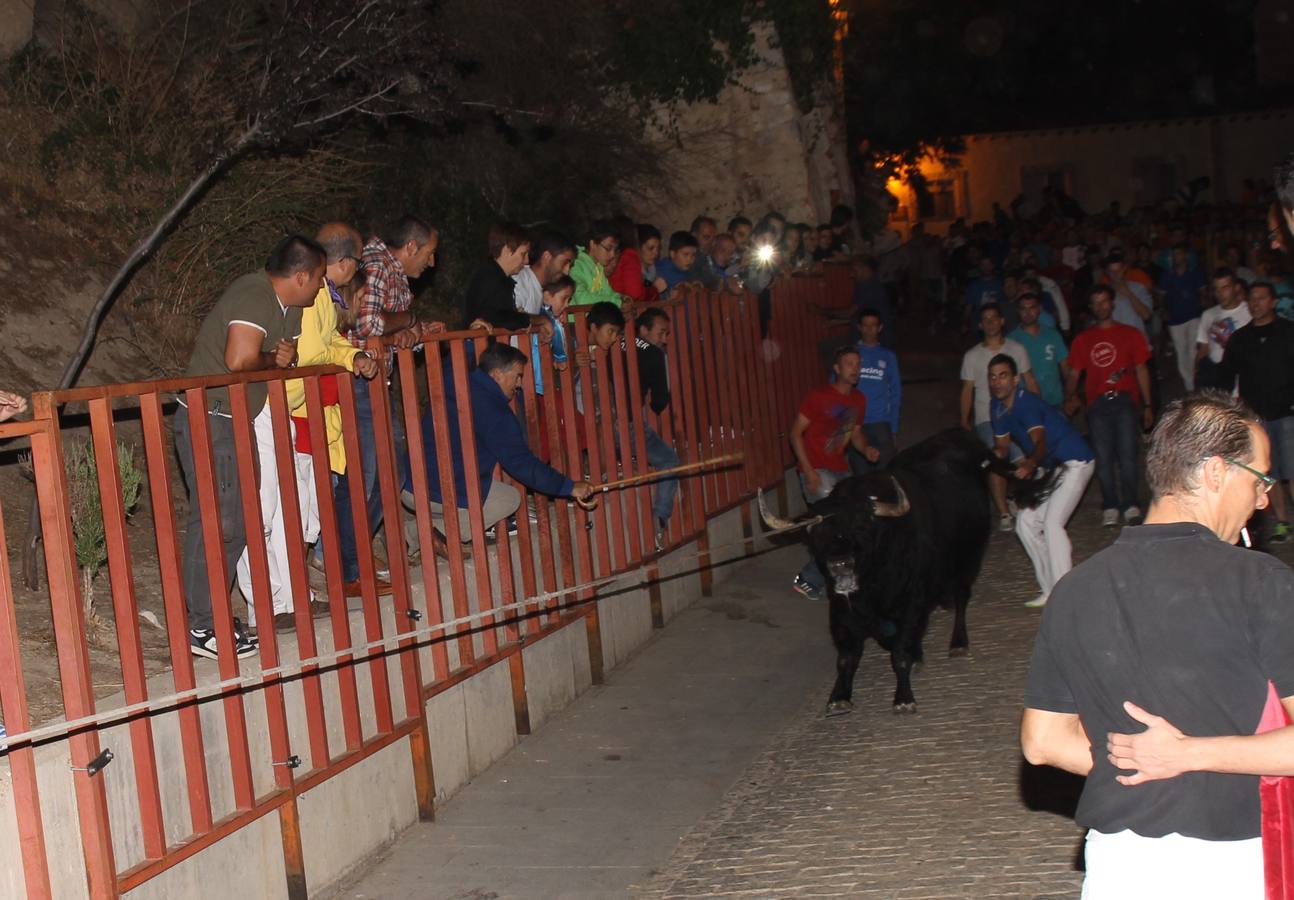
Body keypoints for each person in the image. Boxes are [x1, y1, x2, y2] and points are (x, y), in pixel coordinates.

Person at [1021, 391, 1294, 898]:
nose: (1262, 500)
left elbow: (1043, 743)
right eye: (1259, 480)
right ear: (1216, 473)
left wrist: (1140, 763)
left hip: (1119, 865)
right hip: (1233, 862)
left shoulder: (1075, 588)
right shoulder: (1261, 582)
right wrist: (1187, 755)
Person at [174, 235, 325, 659]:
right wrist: (274, 360)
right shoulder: (253, 294)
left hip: (239, 418)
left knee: (241, 521)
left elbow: (280, 359)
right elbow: (240, 361)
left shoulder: (292, 307)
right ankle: (201, 626)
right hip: (210, 416)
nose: (320, 287)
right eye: (317, 279)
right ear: (299, 276)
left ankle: (217, 617)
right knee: (216, 520)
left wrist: (281, 361)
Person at [242, 222, 380, 631]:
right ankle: (267, 606)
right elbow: (299, 351)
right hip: (278, 408)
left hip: (296, 411)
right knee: (266, 509)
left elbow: (328, 343)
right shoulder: (300, 296)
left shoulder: (321, 297)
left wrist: (350, 356)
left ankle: (293, 596)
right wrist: (343, 357)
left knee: (294, 513)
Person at [333, 215, 444, 596]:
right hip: (358, 379)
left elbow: (385, 325)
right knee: (365, 475)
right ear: (410, 247)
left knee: (389, 470)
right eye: (428, 254)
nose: (431, 264)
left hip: (375, 379)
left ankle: (352, 553)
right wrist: (409, 320)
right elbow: (367, 325)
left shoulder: (385, 267)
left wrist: (408, 330)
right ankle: (347, 565)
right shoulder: (378, 265)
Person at [408, 342, 596, 544]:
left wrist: (472, 341)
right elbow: (522, 463)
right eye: (517, 376)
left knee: (483, 485)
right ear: (497, 374)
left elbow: (452, 360)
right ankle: (417, 535)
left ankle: (419, 530)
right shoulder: (495, 411)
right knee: (509, 499)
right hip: (438, 489)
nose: (519, 384)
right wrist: (568, 487)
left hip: (411, 483)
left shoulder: (456, 382)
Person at [988, 354, 1094, 607]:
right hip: (1054, 467)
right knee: (1025, 522)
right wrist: (986, 458)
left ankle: (1064, 591)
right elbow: (1002, 448)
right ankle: (1049, 589)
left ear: (1015, 379)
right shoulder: (997, 407)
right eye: (992, 377)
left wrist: (1030, 464)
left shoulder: (1027, 404)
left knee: (1053, 522)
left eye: (1003, 376)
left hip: (1076, 461)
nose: (997, 382)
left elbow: (1040, 443)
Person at [789, 346, 879, 601]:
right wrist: (807, 470)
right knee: (835, 527)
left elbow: (856, 433)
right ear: (837, 369)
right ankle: (827, 582)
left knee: (850, 527)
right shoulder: (819, 397)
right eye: (849, 364)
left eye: (858, 364)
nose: (855, 368)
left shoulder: (858, 399)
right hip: (817, 470)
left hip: (841, 470)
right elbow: (795, 433)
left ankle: (815, 578)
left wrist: (867, 449)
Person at [1065, 284, 1153, 527]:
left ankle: (1131, 502)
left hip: (1125, 400)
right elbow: (1074, 373)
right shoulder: (1084, 339)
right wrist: (1070, 396)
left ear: (1112, 304)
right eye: (1096, 302)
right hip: (1097, 402)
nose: (1101, 306)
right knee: (1103, 457)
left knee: (1127, 454)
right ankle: (1110, 504)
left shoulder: (1130, 334)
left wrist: (1147, 404)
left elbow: (1141, 369)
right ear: (1091, 307)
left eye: (1105, 301)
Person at [1216, 282, 1294, 542]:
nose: (1256, 303)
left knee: (1292, 470)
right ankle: (1283, 522)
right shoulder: (1240, 339)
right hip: (1256, 416)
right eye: (1252, 299)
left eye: (1261, 298)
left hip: (1286, 411)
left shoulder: (1288, 332)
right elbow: (1227, 375)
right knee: (1268, 473)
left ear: (1273, 301)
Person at [959, 303, 1038, 530]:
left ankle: (1026, 503)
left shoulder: (1017, 349)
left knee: (1025, 458)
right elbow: (967, 390)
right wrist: (965, 419)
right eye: (986, 319)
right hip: (987, 417)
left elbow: (1029, 379)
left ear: (1003, 321)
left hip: (1018, 415)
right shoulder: (972, 356)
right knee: (997, 459)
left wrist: (1040, 410)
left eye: (995, 318)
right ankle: (1004, 511)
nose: (991, 322)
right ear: (980, 324)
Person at [631, 307, 681, 546]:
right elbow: (660, 401)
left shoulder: (615, 342)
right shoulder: (653, 353)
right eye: (661, 333)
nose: (664, 340)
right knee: (669, 460)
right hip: (628, 424)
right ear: (643, 329)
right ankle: (660, 518)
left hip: (597, 421)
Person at [848, 309, 900, 472]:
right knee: (861, 476)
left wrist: (893, 428)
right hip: (855, 424)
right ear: (859, 327)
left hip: (880, 422)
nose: (869, 329)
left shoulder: (888, 356)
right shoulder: (850, 354)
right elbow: (836, 390)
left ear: (880, 328)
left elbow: (896, 393)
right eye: (865, 325)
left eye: (873, 325)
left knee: (885, 474)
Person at [1157, 243, 1206, 391]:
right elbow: (1161, 295)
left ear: (1185, 255)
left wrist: (1204, 304)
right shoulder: (1167, 275)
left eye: (1179, 253)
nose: (1176, 257)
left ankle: (1191, 381)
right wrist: (1162, 309)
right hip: (1175, 318)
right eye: (1174, 254)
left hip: (1193, 315)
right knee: (1180, 350)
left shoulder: (1195, 273)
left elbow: (1203, 292)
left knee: (1192, 349)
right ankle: (1188, 382)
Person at [1009, 292, 1069, 409]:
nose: (1027, 313)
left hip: (1054, 400)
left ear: (1039, 309)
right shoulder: (1011, 340)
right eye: (1023, 309)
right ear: (1018, 311)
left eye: (1032, 308)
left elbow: (1065, 366)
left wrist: (1070, 394)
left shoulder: (1053, 335)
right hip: (1025, 404)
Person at [1195, 268, 1250, 390]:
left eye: (1225, 288)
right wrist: (1197, 375)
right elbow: (1203, 349)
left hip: (1242, 377)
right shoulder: (1208, 314)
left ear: (1236, 288)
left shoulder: (1250, 311)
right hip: (1216, 376)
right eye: (1216, 289)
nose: (1220, 294)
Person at [513, 230, 575, 316]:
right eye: (564, 263)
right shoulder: (519, 282)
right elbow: (509, 316)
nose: (567, 271)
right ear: (547, 256)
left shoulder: (539, 288)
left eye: (570, 265)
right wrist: (542, 321)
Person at [570, 220, 624, 311]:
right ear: (593, 244)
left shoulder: (598, 267)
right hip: (576, 322)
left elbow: (609, 293)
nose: (613, 255)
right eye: (608, 248)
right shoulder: (576, 265)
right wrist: (616, 301)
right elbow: (582, 300)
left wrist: (621, 298)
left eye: (615, 250)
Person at [652, 231, 701, 300]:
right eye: (685, 254)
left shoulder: (689, 270)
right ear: (672, 254)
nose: (690, 259)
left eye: (693, 255)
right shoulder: (660, 271)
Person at [684, 215, 722, 289]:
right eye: (706, 237)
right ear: (694, 235)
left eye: (714, 238)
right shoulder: (689, 258)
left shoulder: (709, 257)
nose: (711, 242)